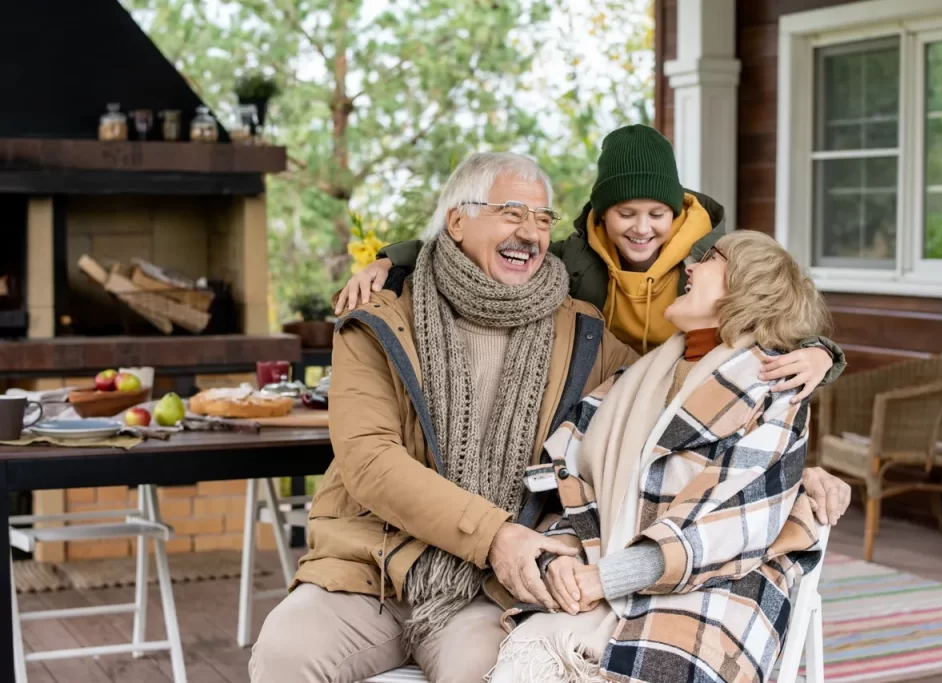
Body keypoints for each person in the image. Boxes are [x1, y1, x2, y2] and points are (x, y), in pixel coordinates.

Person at [250, 153, 850, 683]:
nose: (531, 232)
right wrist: (494, 535)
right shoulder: (380, 322)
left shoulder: (582, 332)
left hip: (492, 587)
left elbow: (673, 411)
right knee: (285, 654)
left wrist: (797, 471)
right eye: (512, 212)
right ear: (457, 221)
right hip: (372, 571)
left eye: (542, 219)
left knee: (500, 672)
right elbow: (370, 462)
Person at [488, 230, 836, 683]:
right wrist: (562, 559)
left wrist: (605, 578)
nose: (689, 267)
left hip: (721, 585)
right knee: (525, 663)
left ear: (750, 285)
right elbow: (576, 484)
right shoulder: (637, 377)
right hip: (600, 569)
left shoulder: (774, 387)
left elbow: (725, 526)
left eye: (709, 258)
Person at [335, 124, 846, 402]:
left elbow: (775, 307)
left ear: (677, 210)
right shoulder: (575, 258)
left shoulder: (711, 260)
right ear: (603, 215)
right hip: (612, 401)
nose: (641, 228)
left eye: (656, 213)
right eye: (626, 213)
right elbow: (482, 250)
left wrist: (823, 354)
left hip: (694, 396)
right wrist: (390, 261)